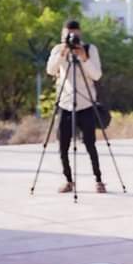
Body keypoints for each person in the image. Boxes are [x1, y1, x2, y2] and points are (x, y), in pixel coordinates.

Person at [46, 19, 105, 194]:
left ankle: (98, 180)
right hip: (65, 103)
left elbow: (97, 75)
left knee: (90, 144)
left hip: (85, 104)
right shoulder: (58, 50)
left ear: (80, 34)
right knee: (62, 146)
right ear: (62, 35)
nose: (72, 38)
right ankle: (68, 180)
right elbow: (50, 70)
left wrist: (84, 58)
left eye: (75, 35)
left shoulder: (90, 49)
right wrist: (62, 53)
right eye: (68, 35)